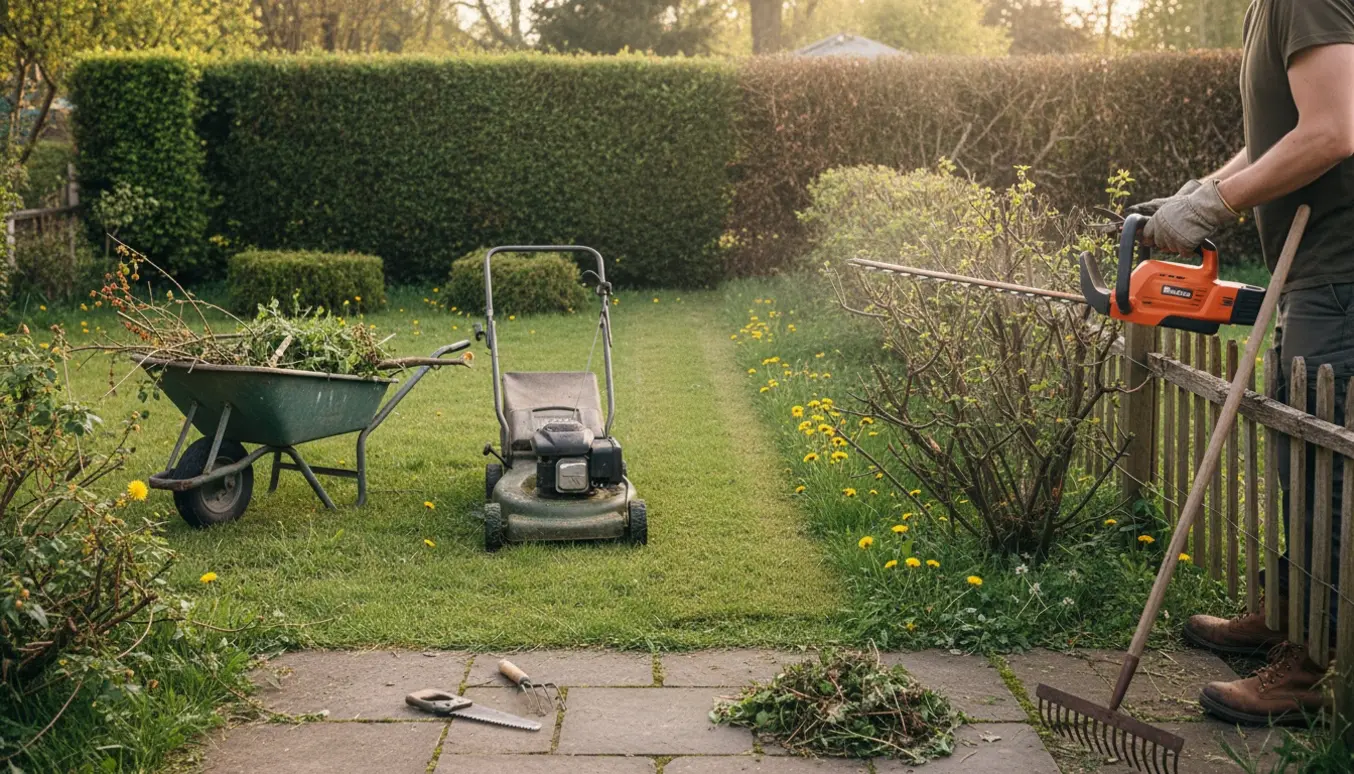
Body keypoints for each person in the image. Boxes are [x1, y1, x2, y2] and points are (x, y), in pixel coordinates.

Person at [1125, 0, 1354, 727]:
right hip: (1317, 273)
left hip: (1341, 272)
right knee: (1300, 460)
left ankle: (1314, 672)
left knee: (1328, 480)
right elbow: (1283, 135)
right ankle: (1294, 617)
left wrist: (1217, 205)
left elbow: (1332, 130)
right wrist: (1203, 192)